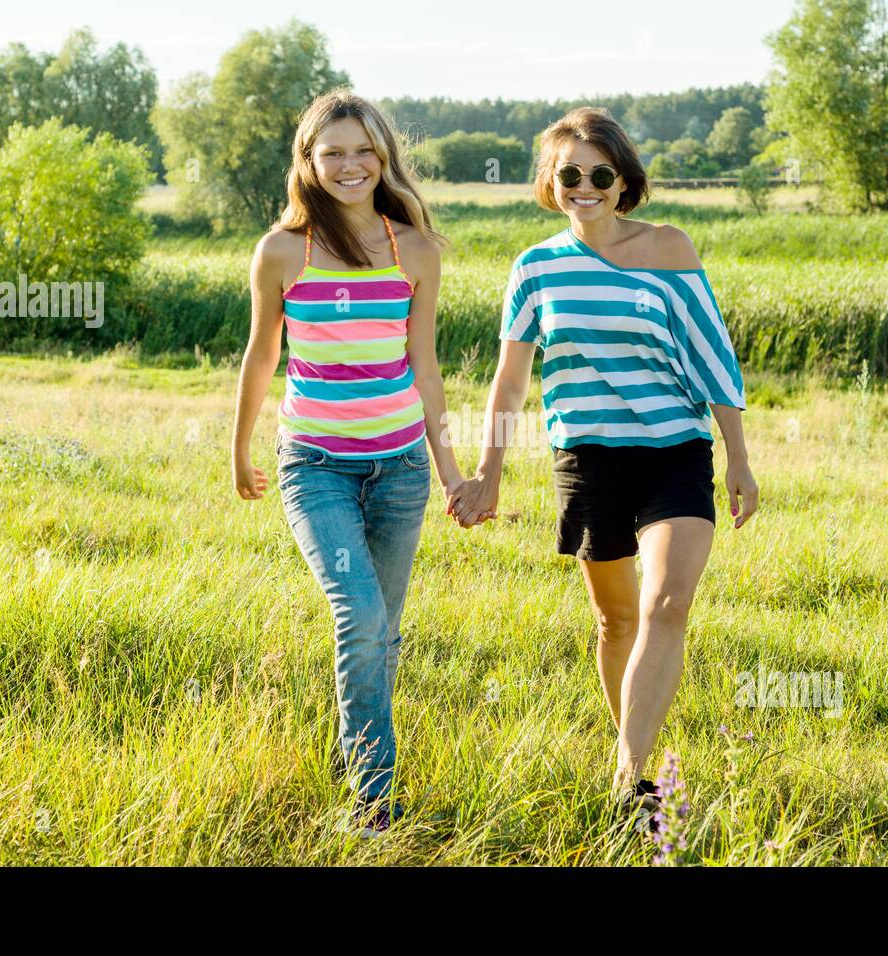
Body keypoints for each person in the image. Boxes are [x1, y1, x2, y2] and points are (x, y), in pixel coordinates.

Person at [449, 107, 758, 824]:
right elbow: (511, 380)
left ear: (624, 182)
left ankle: (630, 777)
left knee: (666, 605)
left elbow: (714, 354)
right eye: (568, 175)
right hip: (586, 458)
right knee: (617, 620)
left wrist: (738, 458)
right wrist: (489, 470)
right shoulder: (534, 267)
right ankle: (636, 764)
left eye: (599, 174)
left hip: (675, 451)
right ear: (549, 184)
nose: (583, 186)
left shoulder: (669, 247)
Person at [231, 89, 462, 836]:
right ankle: (376, 801)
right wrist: (239, 447)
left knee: (382, 633)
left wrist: (452, 470)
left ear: (385, 156)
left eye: (364, 150)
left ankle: (359, 756)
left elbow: (425, 368)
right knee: (358, 613)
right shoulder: (282, 251)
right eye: (332, 151)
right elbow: (263, 353)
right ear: (308, 160)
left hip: (400, 470)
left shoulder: (413, 251)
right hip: (314, 465)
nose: (350, 164)